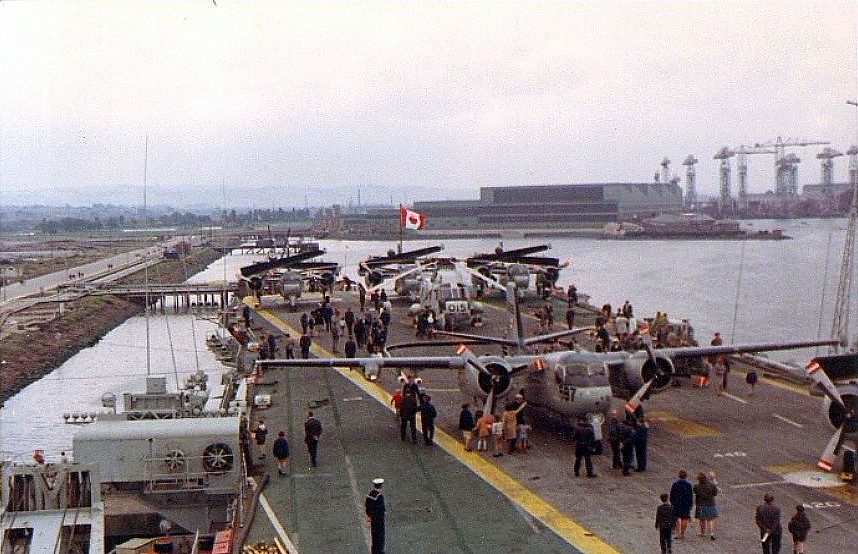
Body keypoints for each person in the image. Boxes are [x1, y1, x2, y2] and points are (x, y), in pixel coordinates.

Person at [693, 471, 718, 540]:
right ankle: (712, 533)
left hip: (700, 504)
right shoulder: (711, 485)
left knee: (702, 520)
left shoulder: (696, 486)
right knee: (710, 520)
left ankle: (703, 532)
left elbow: (695, 492)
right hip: (710, 504)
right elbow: (715, 493)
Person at [669, 470, 693, 539]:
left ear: (679, 476)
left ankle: (677, 533)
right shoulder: (688, 485)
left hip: (677, 503)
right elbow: (690, 495)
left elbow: (672, 494)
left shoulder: (675, 484)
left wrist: (672, 502)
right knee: (684, 518)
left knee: (677, 519)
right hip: (686, 503)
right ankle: (682, 533)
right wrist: (690, 504)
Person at [365, 478, 386, 554]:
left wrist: (369, 516)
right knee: (380, 538)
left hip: (373, 520)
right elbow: (382, 509)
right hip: (379, 521)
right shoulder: (379, 497)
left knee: (374, 537)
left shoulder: (369, 495)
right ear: (381, 486)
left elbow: (367, 507)